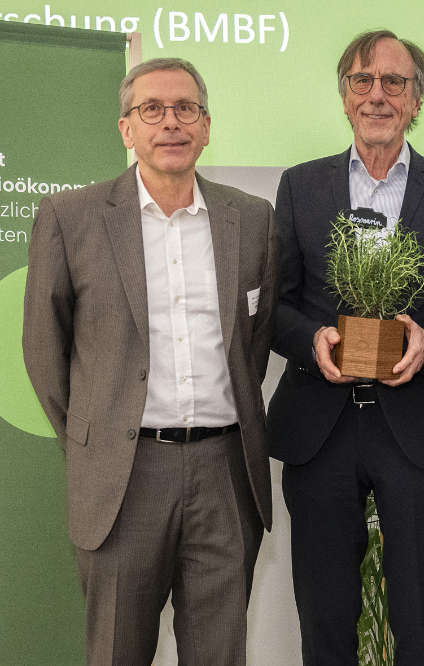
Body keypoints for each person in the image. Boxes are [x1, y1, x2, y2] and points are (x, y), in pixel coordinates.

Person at [22, 58, 280, 666]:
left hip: (225, 476)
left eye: (185, 108)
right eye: (152, 110)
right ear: (125, 129)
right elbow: (44, 351)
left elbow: (255, 340)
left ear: (208, 126)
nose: (171, 122)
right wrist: (96, 438)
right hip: (123, 479)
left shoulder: (253, 219)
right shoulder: (71, 218)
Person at [266, 29, 424, 666]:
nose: (378, 95)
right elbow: (274, 308)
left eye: (396, 82)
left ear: (418, 100)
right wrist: (312, 340)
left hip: (413, 426)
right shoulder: (302, 187)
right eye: (363, 81)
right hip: (319, 426)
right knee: (325, 611)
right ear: (344, 97)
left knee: (420, 614)